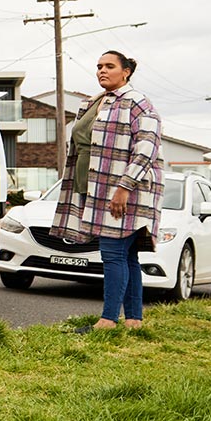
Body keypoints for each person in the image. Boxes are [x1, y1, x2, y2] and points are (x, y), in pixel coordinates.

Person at [50, 51, 164, 332]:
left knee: (113, 253)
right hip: (97, 189)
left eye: (109, 66)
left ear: (126, 72)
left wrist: (124, 187)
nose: (102, 70)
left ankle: (108, 320)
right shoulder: (94, 102)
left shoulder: (137, 102)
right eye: (99, 66)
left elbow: (147, 148)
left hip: (124, 192)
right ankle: (133, 320)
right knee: (127, 256)